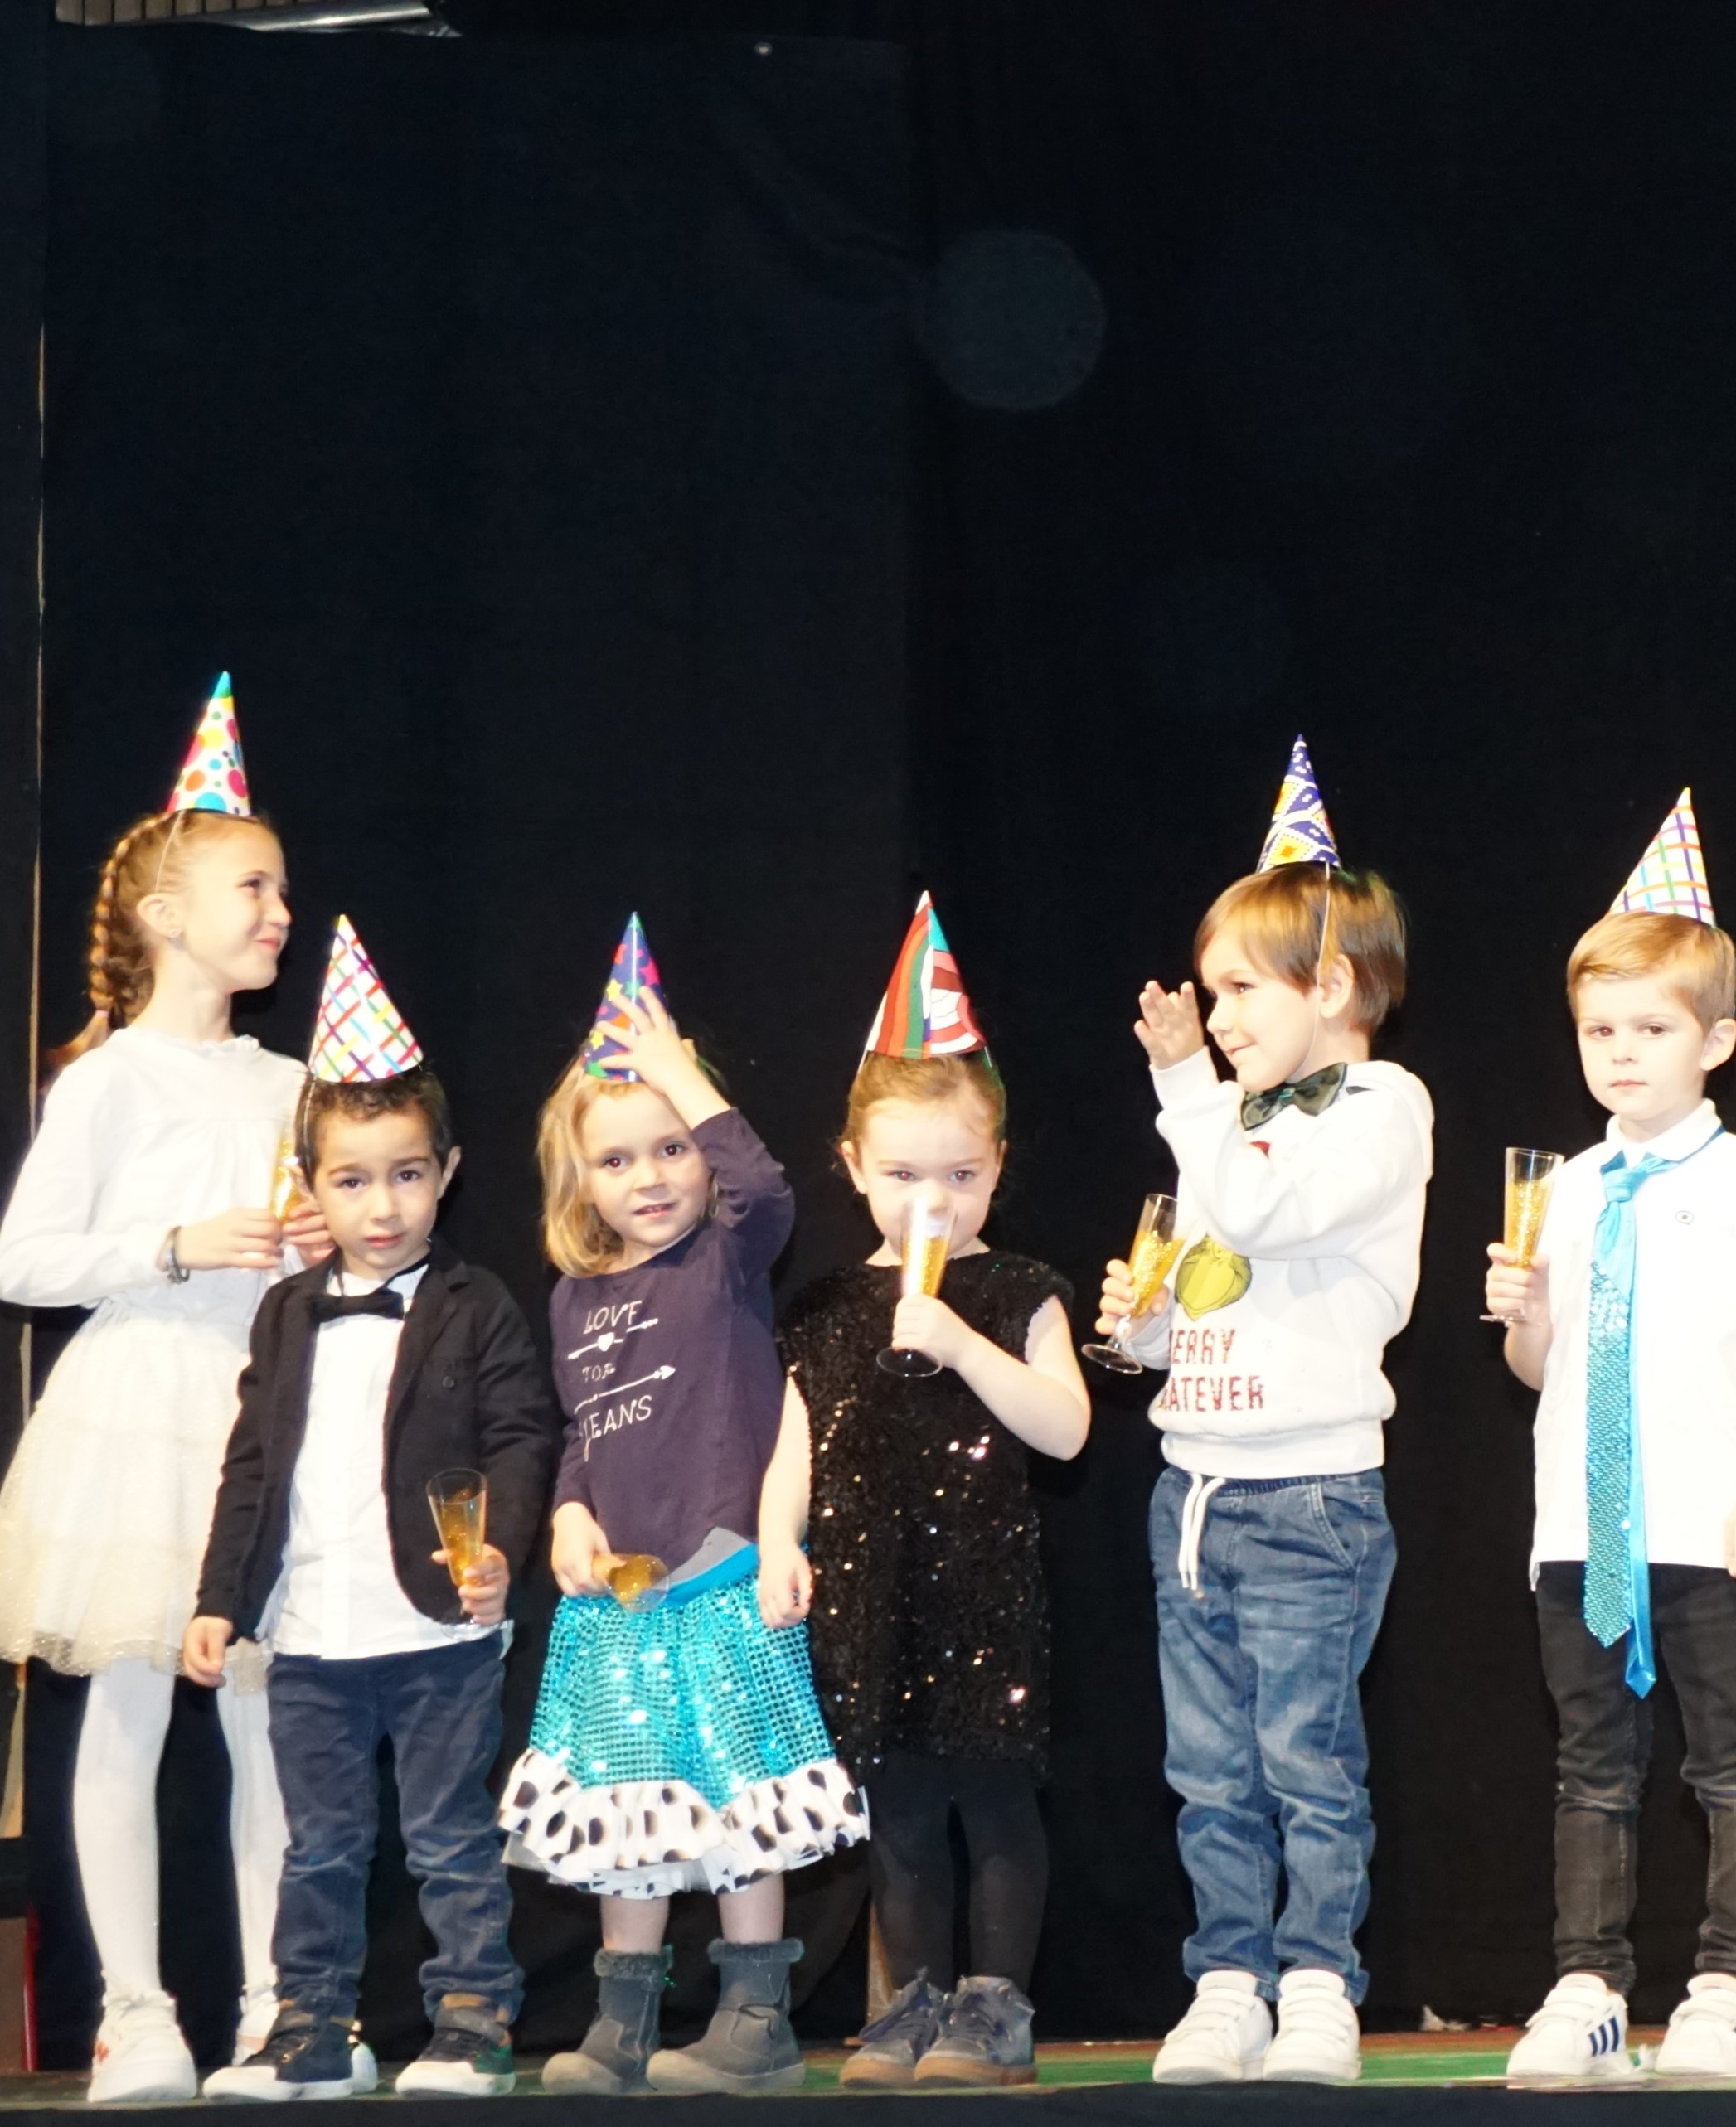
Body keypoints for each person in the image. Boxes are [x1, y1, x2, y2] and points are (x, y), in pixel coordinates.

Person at [1090, 744, 1429, 2089]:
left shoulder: (1383, 1106)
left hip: (1309, 1497)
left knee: (1306, 1759)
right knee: (1208, 1768)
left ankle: (1319, 1984)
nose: (1214, 1014)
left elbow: (1263, 1212)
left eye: (1240, 987)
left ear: (1329, 984)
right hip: (1197, 1489)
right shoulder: (1226, 1120)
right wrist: (1146, 1325)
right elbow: (1206, 1270)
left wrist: (1190, 1097)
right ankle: (1227, 1979)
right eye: (1212, 988)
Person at [0, 681, 313, 2104]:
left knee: (270, 1722)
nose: (280, 911)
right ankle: (135, 2011)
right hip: (139, 1413)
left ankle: (274, 2005)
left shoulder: (291, 1080)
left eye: (284, 890)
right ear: (165, 914)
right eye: (254, 886)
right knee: (125, 1712)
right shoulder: (108, 1080)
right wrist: (177, 1243)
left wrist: (314, 1242)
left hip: (261, 1413)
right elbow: (25, 1257)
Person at [186, 924, 553, 2101]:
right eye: (351, 1179)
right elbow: (251, 1464)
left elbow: (522, 1436)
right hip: (311, 1633)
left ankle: (471, 2022)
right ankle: (311, 2030)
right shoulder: (286, 1311)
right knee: (320, 1845)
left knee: (449, 1835)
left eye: (406, 1173)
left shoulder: (478, 1304)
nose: (382, 1203)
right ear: (311, 1186)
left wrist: (499, 1553)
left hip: (437, 1626)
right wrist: (218, 1598)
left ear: (448, 1170)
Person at [1489, 797, 1736, 2085]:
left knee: (1732, 1759)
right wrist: (1523, 1314)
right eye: (1600, 1029)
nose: (1622, 1052)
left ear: (1716, 1039)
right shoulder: (1565, 1183)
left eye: (1652, 1028)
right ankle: (1588, 1986)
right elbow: (1539, 1370)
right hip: (1581, 1525)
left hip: (1703, 1518)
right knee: (1592, 1767)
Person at [502, 921, 862, 2092]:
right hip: (621, 1599)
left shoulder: (726, 1259)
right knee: (631, 1812)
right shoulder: (574, 1297)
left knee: (743, 1800)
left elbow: (765, 1186)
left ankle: (755, 2019)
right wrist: (566, 1516)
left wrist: (682, 1074)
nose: (650, 1177)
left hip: (720, 1576)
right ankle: (624, 2022)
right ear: (579, 1178)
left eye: (671, 1148)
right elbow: (581, 1433)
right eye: (617, 1159)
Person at [788, 899, 1090, 2090]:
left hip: (984, 1596)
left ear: (998, 1166)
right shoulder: (824, 1310)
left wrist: (963, 1342)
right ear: (854, 1166)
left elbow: (1066, 1427)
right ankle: (909, 2003)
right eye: (904, 1175)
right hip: (869, 1598)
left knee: (995, 1806)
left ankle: (995, 2008)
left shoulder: (1018, 1289)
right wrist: (776, 1540)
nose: (933, 1203)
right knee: (901, 1813)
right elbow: (793, 1446)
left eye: (960, 1176)